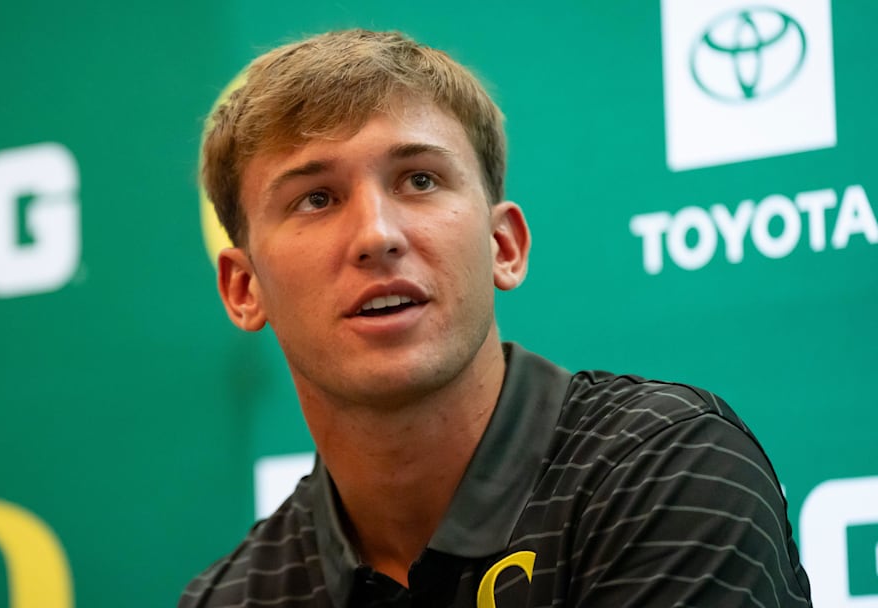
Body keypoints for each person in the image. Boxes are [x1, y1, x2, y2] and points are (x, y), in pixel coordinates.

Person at [181, 29, 812, 608]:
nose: (376, 234)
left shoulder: (668, 469)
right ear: (243, 288)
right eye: (316, 198)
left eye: (419, 180)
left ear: (503, 246)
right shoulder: (234, 598)